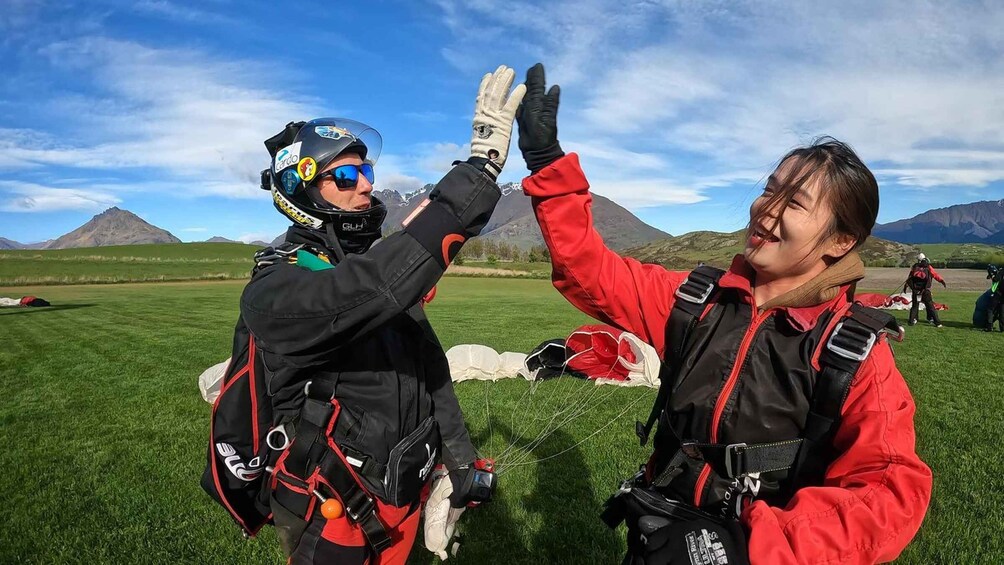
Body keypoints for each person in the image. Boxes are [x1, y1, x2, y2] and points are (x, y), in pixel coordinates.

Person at [514, 63, 932, 564]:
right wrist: (546, 163)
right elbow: (592, 271)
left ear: (841, 242)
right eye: (769, 189)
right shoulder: (698, 301)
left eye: (794, 202)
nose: (766, 210)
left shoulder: (851, 353)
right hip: (658, 531)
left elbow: (889, 492)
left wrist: (746, 546)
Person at [203, 66, 525, 564]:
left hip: (401, 494)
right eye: (347, 176)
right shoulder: (275, 291)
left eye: (367, 172)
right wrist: (478, 170)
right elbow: (374, 285)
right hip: (333, 511)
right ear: (303, 191)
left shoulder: (358, 266)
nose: (366, 187)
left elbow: (429, 370)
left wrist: (458, 461)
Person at [903, 253, 947, 327]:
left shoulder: (914, 267)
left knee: (915, 306)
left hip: (915, 291)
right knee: (930, 306)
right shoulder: (928, 267)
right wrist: (942, 281)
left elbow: (910, 278)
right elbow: (935, 275)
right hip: (925, 291)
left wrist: (905, 286)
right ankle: (937, 322)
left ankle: (912, 321)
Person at [987, 264, 1003, 332]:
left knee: (990, 309)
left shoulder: (1000, 273)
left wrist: (992, 276)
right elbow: (988, 277)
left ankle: (989, 326)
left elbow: (996, 279)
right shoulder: (1000, 272)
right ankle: (1002, 328)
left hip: (997, 294)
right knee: (1002, 311)